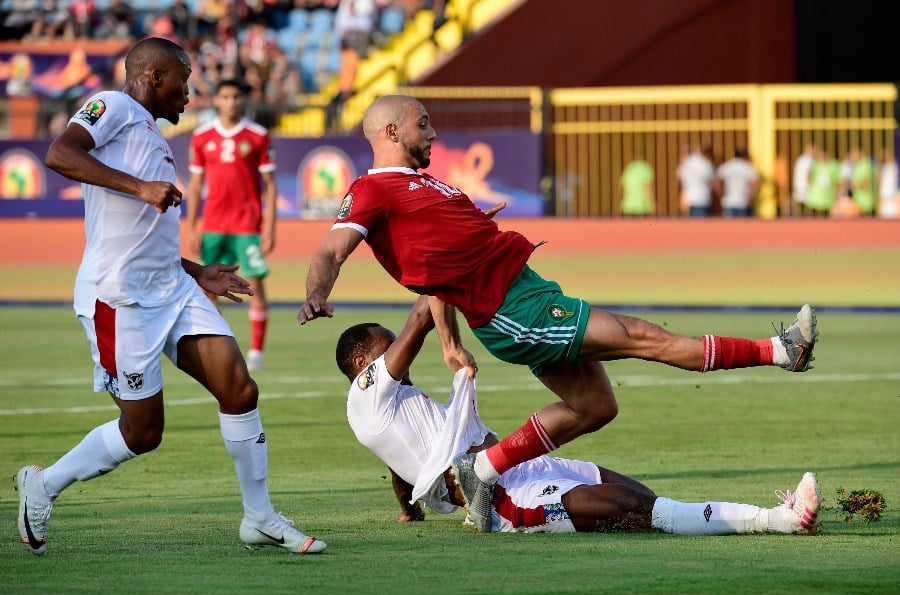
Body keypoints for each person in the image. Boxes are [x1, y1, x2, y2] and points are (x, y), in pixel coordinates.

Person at [297, 94, 818, 532]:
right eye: (423, 122)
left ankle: (485, 467)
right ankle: (779, 350)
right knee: (643, 336)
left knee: (596, 406)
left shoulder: (426, 184)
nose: (432, 132)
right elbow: (330, 251)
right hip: (512, 307)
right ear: (391, 129)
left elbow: (438, 271)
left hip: (522, 289)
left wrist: (454, 325)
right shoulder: (370, 190)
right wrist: (317, 291)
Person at [17, 37, 324, 557]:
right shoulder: (113, 106)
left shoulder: (154, 137)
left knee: (240, 390)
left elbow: (144, 235)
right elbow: (58, 153)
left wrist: (198, 271)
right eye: (183, 83)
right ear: (155, 76)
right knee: (143, 433)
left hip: (174, 289)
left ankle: (260, 517)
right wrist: (139, 187)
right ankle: (42, 486)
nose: (189, 95)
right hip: (120, 300)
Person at [335, 297, 822, 535]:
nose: (398, 350)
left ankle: (776, 518)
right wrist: (450, 296)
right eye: (385, 344)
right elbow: (423, 311)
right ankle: (778, 519)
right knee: (640, 511)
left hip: (519, 468)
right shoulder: (366, 393)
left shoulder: (388, 409)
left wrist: (408, 507)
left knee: (642, 498)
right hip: (503, 499)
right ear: (362, 364)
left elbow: (402, 465)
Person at [186, 79, 277, 372]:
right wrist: (191, 226)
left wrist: (270, 226)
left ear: (243, 99)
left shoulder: (258, 135)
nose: (231, 101)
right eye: (225, 96)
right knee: (209, 288)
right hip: (213, 225)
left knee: (256, 285)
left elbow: (270, 186)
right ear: (217, 100)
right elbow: (196, 185)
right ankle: (220, 347)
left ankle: (257, 353)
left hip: (246, 225)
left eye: (236, 95)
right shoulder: (201, 136)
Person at [713, 147, 759, 217]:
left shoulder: (727, 166)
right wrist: (750, 196)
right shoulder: (747, 167)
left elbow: (715, 182)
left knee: (729, 227)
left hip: (728, 201)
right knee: (742, 227)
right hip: (742, 202)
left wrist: (722, 194)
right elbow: (755, 182)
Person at [676, 143, 715, 217]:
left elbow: (679, 182)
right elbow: (712, 181)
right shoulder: (705, 164)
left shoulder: (684, 164)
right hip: (702, 199)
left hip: (688, 200)